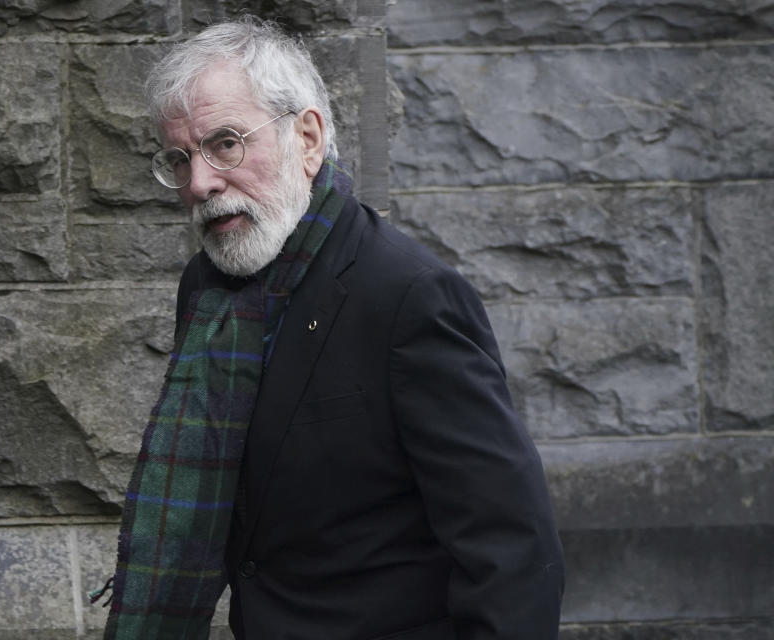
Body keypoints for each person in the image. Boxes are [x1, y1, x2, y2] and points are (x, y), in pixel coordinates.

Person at [101, 16, 564, 640]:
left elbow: (512, 549)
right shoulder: (207, 291)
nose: (200, 183)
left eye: (226, 144)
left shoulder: (408, 297)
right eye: (180, 159)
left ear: (309, 138)